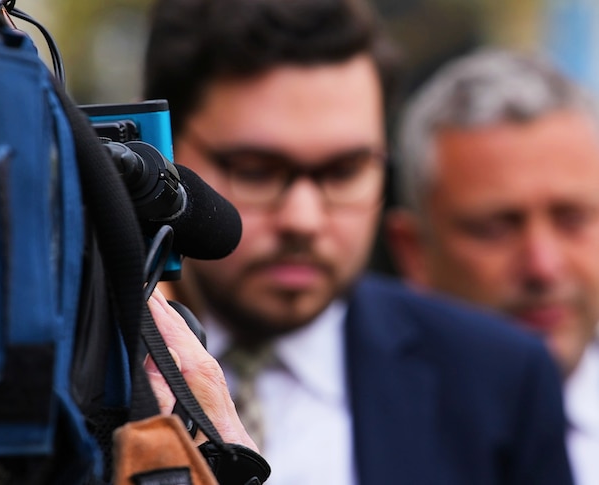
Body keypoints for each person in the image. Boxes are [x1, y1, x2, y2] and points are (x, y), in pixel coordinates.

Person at [143, 0, 574, 483]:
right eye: (256, 170)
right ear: (161, 151)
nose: (303, 220)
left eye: (345, 171)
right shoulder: (78, 368)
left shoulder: (503, 383)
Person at [385, 48, 599, 485]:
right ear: (413, 250)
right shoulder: (361, 428)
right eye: (494, 228)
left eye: (572, 219)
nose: (543, 266)